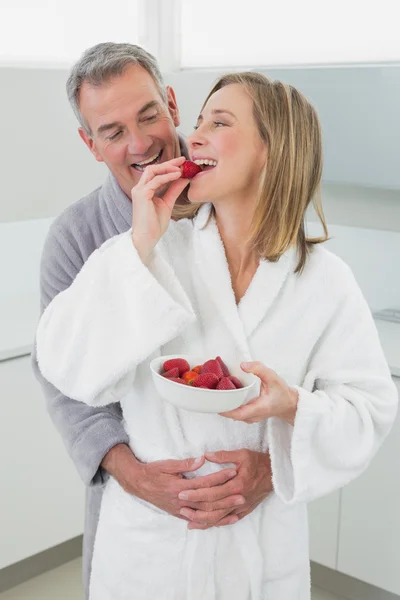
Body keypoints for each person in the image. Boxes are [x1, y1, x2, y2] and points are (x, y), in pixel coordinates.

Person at [34, 67, 398, 598]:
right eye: (200, 119)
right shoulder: (147, 253)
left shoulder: (324, 281)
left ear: (270, 151)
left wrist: (291, 406)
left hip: (259, 555)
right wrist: (139, 244)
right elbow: (68, 367)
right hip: (151, 554)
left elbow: (369, 411)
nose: (194, 134)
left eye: (219, 122)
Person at [31, 43, 274, 598]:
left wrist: (275, 466)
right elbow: (65, 388)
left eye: (148, 116)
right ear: (89, 144)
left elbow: (299, 352)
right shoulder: (77, 237)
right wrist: (131, 474)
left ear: (170, 102)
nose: (140, 144)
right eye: (112, 132)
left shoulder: (241, 192)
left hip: (245, 490)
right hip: (140, 503)